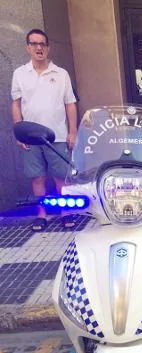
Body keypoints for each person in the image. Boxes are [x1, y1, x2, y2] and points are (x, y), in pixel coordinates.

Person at [11, 28, 77, 231]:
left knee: (60, 178)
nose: (39, 48)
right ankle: (42, 214)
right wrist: (18, 131)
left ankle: (66, 213)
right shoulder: (20, 74)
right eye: (34, 44)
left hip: (56, 135)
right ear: (28, 47)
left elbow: (70, 104)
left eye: (42, 44)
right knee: (37, 177)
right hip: (31, 137)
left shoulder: (61, 73)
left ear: (48, 48)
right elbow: (16, 104)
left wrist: (72, 132)